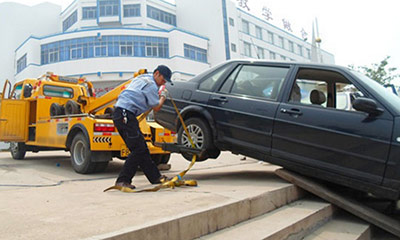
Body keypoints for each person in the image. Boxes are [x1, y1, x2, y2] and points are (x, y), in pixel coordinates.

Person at [112, 65, 172, 189]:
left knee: (142, 149)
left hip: (124, 114)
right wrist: (163, 96)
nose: (163, 82)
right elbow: (156, 106)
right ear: (156, 73)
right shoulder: (151, 85)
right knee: (138, 149)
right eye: (163, 79)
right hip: (125, 114)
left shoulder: (143, 78)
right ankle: (122, 180)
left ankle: (155, 177)